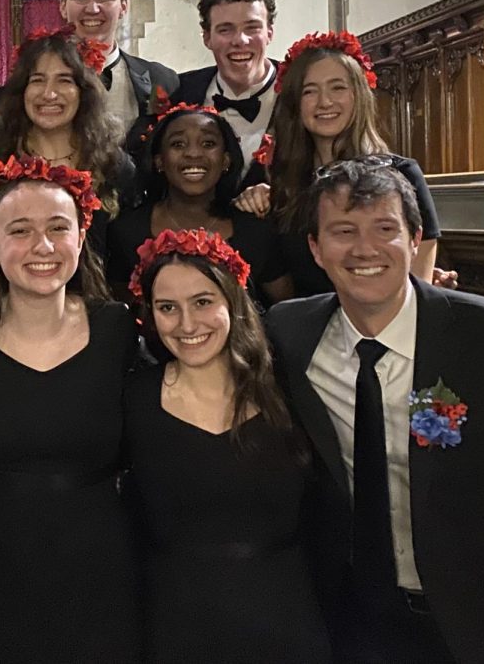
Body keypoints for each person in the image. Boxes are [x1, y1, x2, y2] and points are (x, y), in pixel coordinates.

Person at [266, 159, 484, 663]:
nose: (364, 249)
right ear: (315, 248)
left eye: (385, 228)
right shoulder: (289, 334)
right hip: (352, 617)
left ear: (416, 237)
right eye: (342, 231)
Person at [0, 156, 142, 662]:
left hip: (99, 565)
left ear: (80, 237)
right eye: (21, 231)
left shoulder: (116, 329)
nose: (43, 247)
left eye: (58, 228)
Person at [124, 229, 328, 662]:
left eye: (202, 302)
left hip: (287, 618)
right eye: (167, 308)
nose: (187, 325)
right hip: (178, 623)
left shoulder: (288, 389)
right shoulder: (133, 400)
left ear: (232, 302)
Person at [236, 30, 441, 294]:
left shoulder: (403, 175)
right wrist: (250, 201)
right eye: (310, 91)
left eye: (338, 87)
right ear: (295, 103)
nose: (325, 102)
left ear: (358, 95)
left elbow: (419, 288)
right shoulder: (275, 179)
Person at [0, 27, 137, 263]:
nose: (49, 94)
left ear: (83, 91)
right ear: (21, 92)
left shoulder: (114, 166)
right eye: (37, 80)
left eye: (64, 80)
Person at [109, 103, 292, 307]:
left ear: (226, 160)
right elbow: (120, 315)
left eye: (208, 143)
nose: (193, 154)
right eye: (178, 144)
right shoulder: (125, 231)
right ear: (159, 161)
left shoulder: (255, 230)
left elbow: (288, 312)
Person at [171, 0, 279, 185]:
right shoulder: (180, 91)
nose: (240, 40)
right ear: (207, 38)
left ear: (269, 33)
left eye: (252, 27)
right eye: (225, 29)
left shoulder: (301, 89)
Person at [60, 0, 178, 132]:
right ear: (63, 7)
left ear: (123, 7)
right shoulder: (34, 84)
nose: (92, 9)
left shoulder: (162, 80)